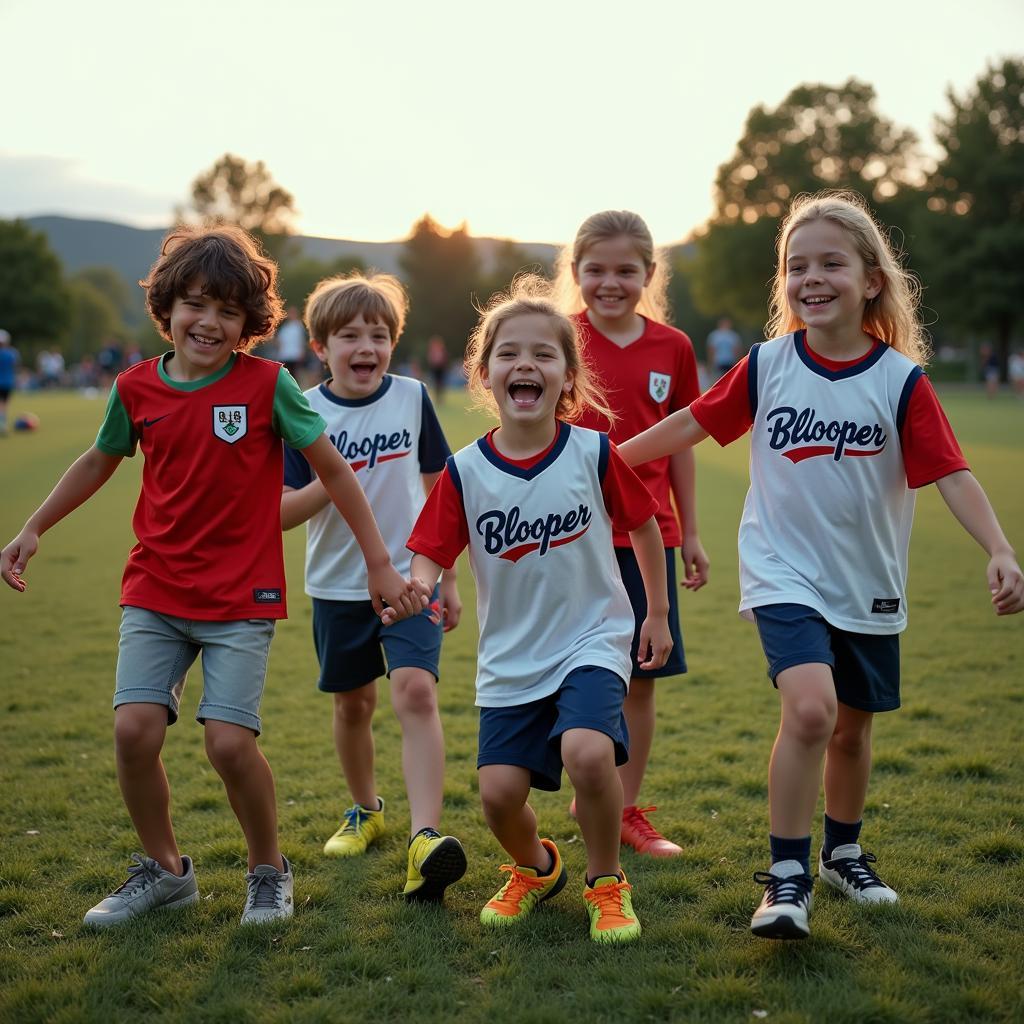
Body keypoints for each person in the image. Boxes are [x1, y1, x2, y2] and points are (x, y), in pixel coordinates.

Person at [619, 190, 1024, 941]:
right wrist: (608, 460)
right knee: (811, 710)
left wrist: (999, 548)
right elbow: (693, 421)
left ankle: (842, 851)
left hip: (868, 581)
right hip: (782, 572)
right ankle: (786, 878)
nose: (811, 277)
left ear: (871, 279)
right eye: (796, 266)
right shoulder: (768, 364)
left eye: (830, 263)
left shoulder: (901, 381)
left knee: (851, 731)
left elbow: (952, 473)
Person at [0, 225, 426, 929]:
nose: (211, 321)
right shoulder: (135, 386)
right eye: (197, 303)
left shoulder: (268, 385)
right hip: (156, 589)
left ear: (249, 325)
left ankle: (268, 870)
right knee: (134, 732)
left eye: (229, 310)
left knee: (229, 743)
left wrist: (380, 562)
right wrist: (34, 527)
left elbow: (334, 470)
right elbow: (98, 461)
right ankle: (164, 871)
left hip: (240, 597)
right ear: (167, 307)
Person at [394, 276, 672, 944]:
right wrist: (420, 586)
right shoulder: (466, 470)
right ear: (485, 375)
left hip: (592, 639)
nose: (526, 364)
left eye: (543, 355)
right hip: (510, 658)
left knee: (587, 753)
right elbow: (432, 551)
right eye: (509, 354)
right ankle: (538, 866)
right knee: (497, 797)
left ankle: (605, 882)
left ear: (567, 377)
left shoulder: (593, 453)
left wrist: (655, 613)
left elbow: (645, 527)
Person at [281, 271, 467, 902]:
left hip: (415, 577)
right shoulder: (302, 409)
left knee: (415, 692)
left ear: (394, 343)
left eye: (379, 335)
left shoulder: (414, 396)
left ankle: (424, 836)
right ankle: (365, 809)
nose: (367, 346)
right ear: (322, 346)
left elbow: (445, 490)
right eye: (350, 335)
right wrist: (332, 474)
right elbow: (279, 510)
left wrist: (450, 579)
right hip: (336, 586)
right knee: (353, 704)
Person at [552, 210, 707, 857]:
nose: (610, 283)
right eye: (596, 270)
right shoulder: (559, 338)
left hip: (649, 536)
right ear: (576, 273)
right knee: (571, 670)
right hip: (569, 536)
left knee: (642, 676)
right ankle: (582, 781)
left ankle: (625, 807)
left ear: (649, 272)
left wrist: (691, 532)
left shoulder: (672, 347)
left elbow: (683, 444)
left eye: (625, 270)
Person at [275, 305, 308, 382]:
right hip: (285, 354)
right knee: (286, 375)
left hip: (295, 354)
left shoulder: (298, 326)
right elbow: (280, 340)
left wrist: (302, 352)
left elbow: (301, 340)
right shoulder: (285, 327)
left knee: (294, 375)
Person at [0, 329, 19, 436]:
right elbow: (15, 366)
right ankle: (3, 424)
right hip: (8, 382)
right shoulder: (12, 353)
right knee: (4, 404)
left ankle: (2, 424)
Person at [426, 335, 449, 403]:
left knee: (441, 384)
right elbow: (430, 359)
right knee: (436, 384)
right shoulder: (432, 351)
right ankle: (437, 398)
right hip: (435, 369)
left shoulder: (442, 350)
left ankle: (440, 399)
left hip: (441, 369)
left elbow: (445, 359)